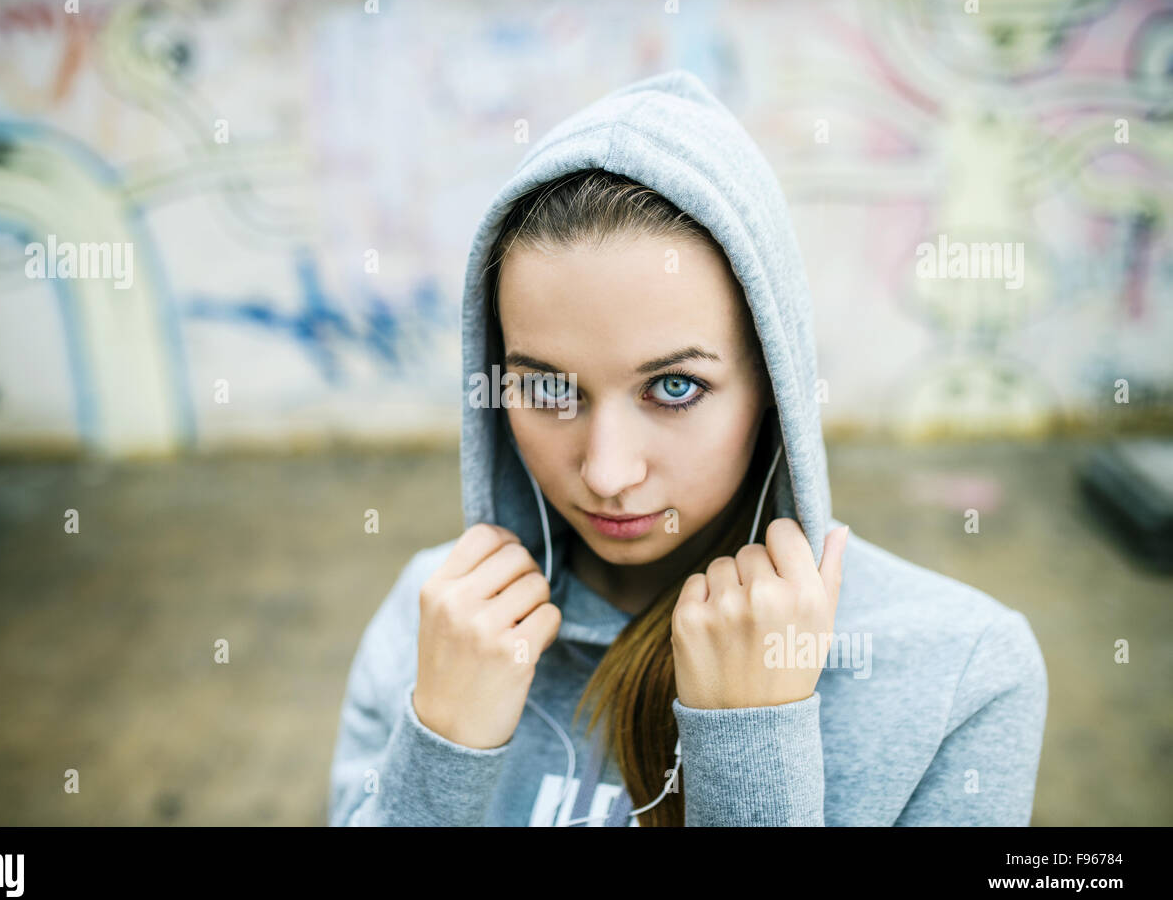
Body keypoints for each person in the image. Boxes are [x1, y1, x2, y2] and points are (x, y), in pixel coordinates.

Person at [328, 70, 1048, 826]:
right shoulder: (433, 625)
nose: (608, 472)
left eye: (673, 388)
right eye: (547, 390)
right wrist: (440, 749)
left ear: (774, 380)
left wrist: (753, 747)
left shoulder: (956, 672)